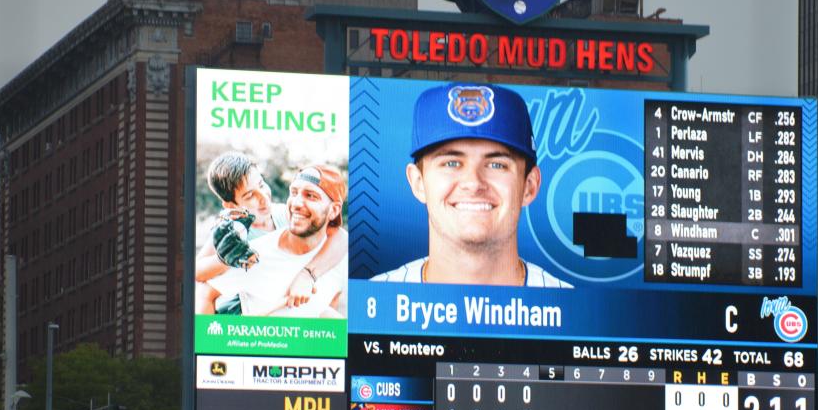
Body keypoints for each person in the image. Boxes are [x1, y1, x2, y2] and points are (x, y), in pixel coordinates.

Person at [372, 83, 571, 287]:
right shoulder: (370, 303)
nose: (474, 183)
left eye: (496, 165)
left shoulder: (576, 311)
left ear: (529, 186)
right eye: (451, 163)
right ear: (418, 183)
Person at [195, 152, 347, 314]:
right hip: (238, 309)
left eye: (261, 185)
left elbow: (340, 237)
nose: (263, 198)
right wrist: (223, 261)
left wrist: (308, 274)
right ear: (232, 206)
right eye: (250, 195)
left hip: (282, 299)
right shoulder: (231, 231)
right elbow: (197, 272)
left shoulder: (284, 214)